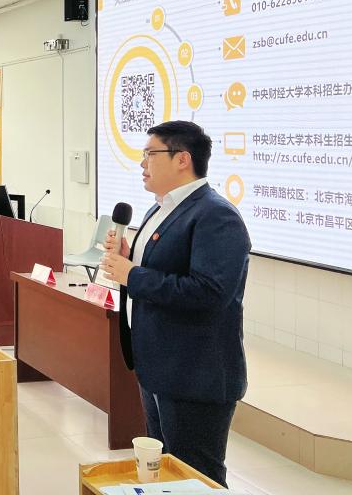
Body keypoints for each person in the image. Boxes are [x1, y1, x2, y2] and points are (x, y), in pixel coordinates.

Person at [101, 120, 250, 486]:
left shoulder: (216, 215)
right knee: (166, 469)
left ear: (182, 159)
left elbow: (209, 293)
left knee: (196, 475)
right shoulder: (160, 208)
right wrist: (130, 258)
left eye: (150, 154)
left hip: (195, 373)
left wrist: (133, 275)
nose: (142, 163)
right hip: (158, 364)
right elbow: (162, 269)